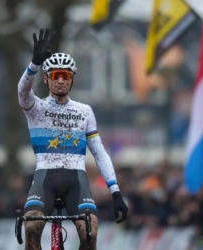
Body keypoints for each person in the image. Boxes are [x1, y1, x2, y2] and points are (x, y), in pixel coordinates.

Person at [18, 28, 128, 250]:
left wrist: (115, 192)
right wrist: (34, 66)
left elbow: (99, 152)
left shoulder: (84, 111)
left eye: (65, 76)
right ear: (47, 79)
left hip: (76, 180)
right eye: (55, 76)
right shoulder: (36, 107)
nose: (60, 81)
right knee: (31, 227)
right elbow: (23, 92)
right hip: (44, 179)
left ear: (72, 79)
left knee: (90, 231)